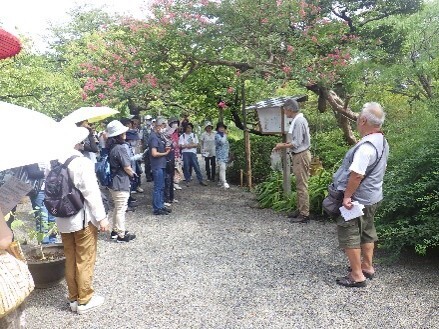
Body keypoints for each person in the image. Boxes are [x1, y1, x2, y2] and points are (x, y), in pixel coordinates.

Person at [332, 102, 389, 288]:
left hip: (358, 200)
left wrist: (347, 196)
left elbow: (357, 174)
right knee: (367, 232)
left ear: (363, 120)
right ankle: (367, 266)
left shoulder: (366, 147)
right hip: (373, 197)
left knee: (349, 233)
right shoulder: (382, 140)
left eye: (359, 117)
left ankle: (357, 275)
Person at [55, 126, 110, 314]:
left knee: (70, 258)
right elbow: (92, 193)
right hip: (82, 218)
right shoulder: (81, 162)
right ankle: (85, 300)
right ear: (77, 142)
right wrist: (102, 218)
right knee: (85, 258)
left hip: (63, 219)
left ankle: (73, 298)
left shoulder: (54, 162)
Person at [273, 99, 311, 223]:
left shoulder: (299, 121)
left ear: (290, 109)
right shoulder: (299, 120)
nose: (284, 112)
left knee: (302, 185)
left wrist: (281, 146)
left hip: (301, 155)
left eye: (285, 109)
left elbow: (297, 143)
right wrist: (284, 144)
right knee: (300, 184)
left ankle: (304, 214)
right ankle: (300, 210)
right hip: (300, 155)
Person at [106, 120, 137, 242]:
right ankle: (121, 234)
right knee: (121, 208)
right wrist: (133, 175)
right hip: (120, 181)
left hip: (113, 181)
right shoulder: (120, 148)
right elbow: (127, 167)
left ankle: (115, 230)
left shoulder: (112, 147)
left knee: (117, 207)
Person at [25, 162, 57, 243]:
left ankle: (53, 244)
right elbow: (31, 173)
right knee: (43, 220)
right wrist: (46, 172)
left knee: (52, 219)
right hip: (39, 190)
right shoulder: (32, 156)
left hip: (53, 189)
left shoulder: (53, 155)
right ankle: (45, 247)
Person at [148, 117, 171, 215]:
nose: (164, 127)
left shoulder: (159, 136)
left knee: (162, 186)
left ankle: (160, 205)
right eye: (163, 125)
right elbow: (154, 153)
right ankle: (157, 208)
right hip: (157, 165)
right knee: (158, 187)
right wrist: (165, 154)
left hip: (162, 164)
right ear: (158, 126)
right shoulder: (153, 137)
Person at [215, 122, 230, 189]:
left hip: (225, 155)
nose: (221, 129)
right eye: (220, 128)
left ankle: (221, 181)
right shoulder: (217, 135)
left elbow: (227, 145)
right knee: (222, 168)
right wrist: (225, 135)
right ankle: (224, 182)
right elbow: (222, 142)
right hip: (220, 155)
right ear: (218, 129)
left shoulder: (224, 135)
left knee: (222, 168)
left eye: (223, 128)